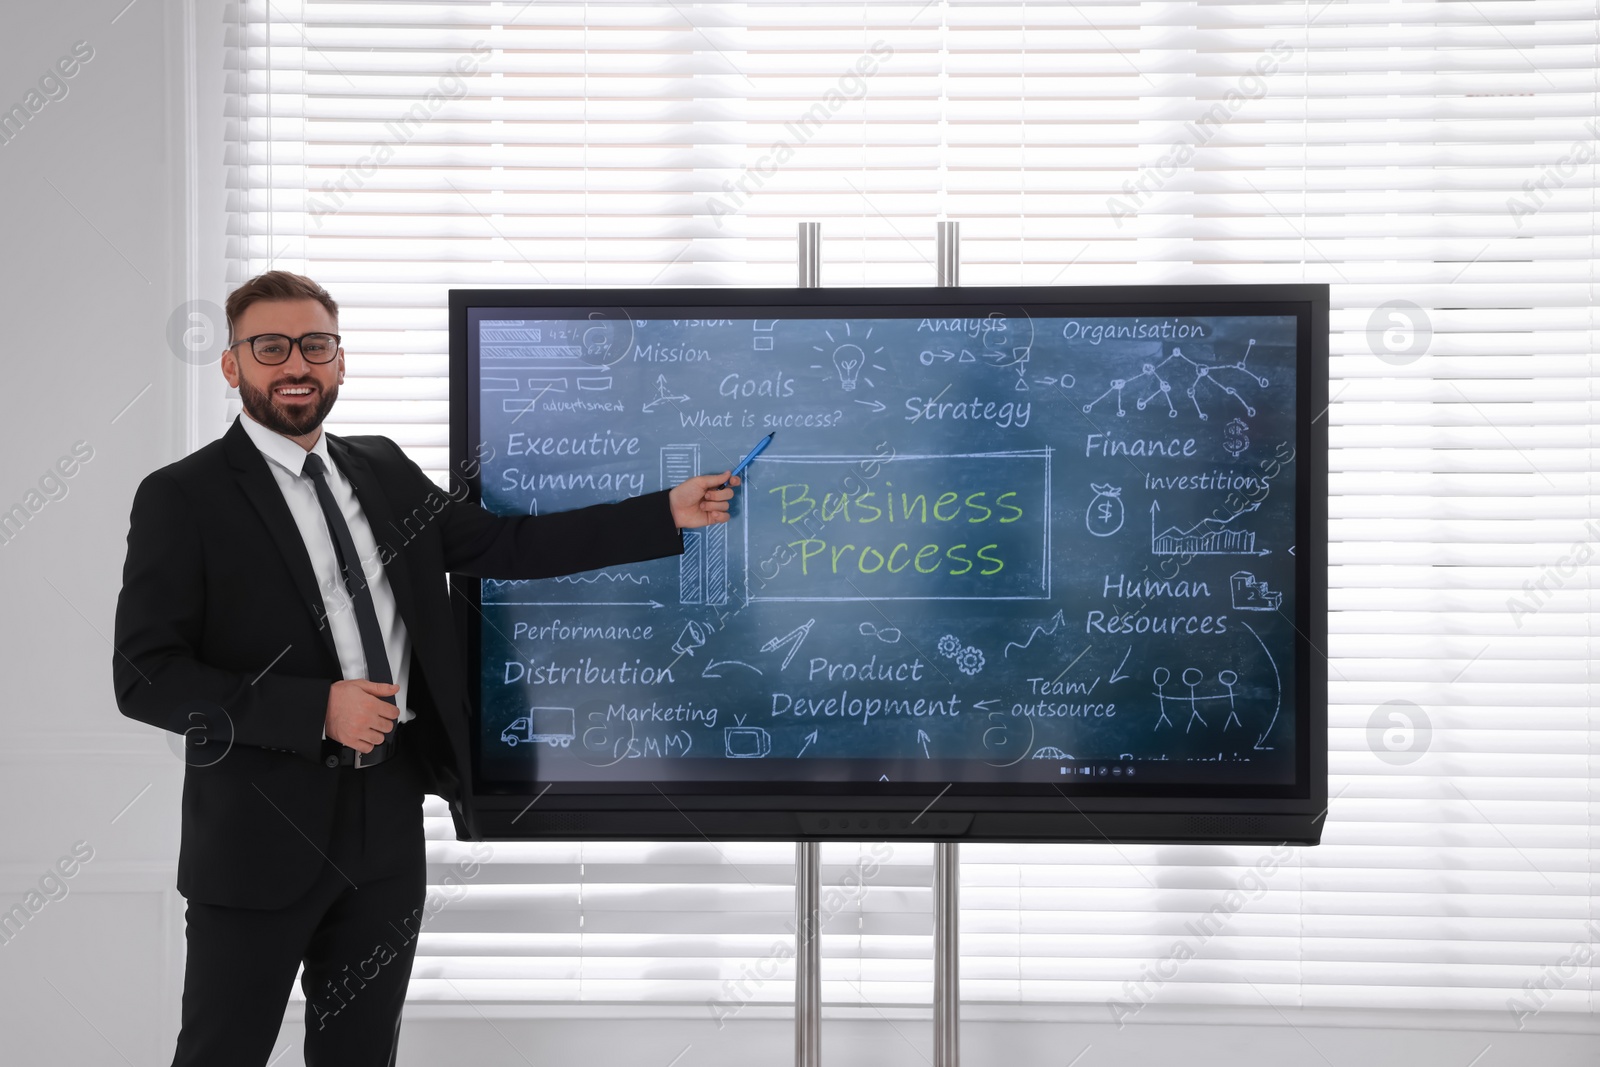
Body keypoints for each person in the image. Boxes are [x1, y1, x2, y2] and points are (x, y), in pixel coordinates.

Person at [111, 271, 740, 1066]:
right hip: (257, 836)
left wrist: (663, 512)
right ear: (233, 366)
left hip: (387, 820)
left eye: (316, 344)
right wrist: (315, 710)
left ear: (340, 361)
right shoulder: (183, 496)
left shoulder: (381, 469)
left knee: (363, 1055)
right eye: (270, 347)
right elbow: (146, 673)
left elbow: (504, 547)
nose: (296, 363)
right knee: (220, 1053)